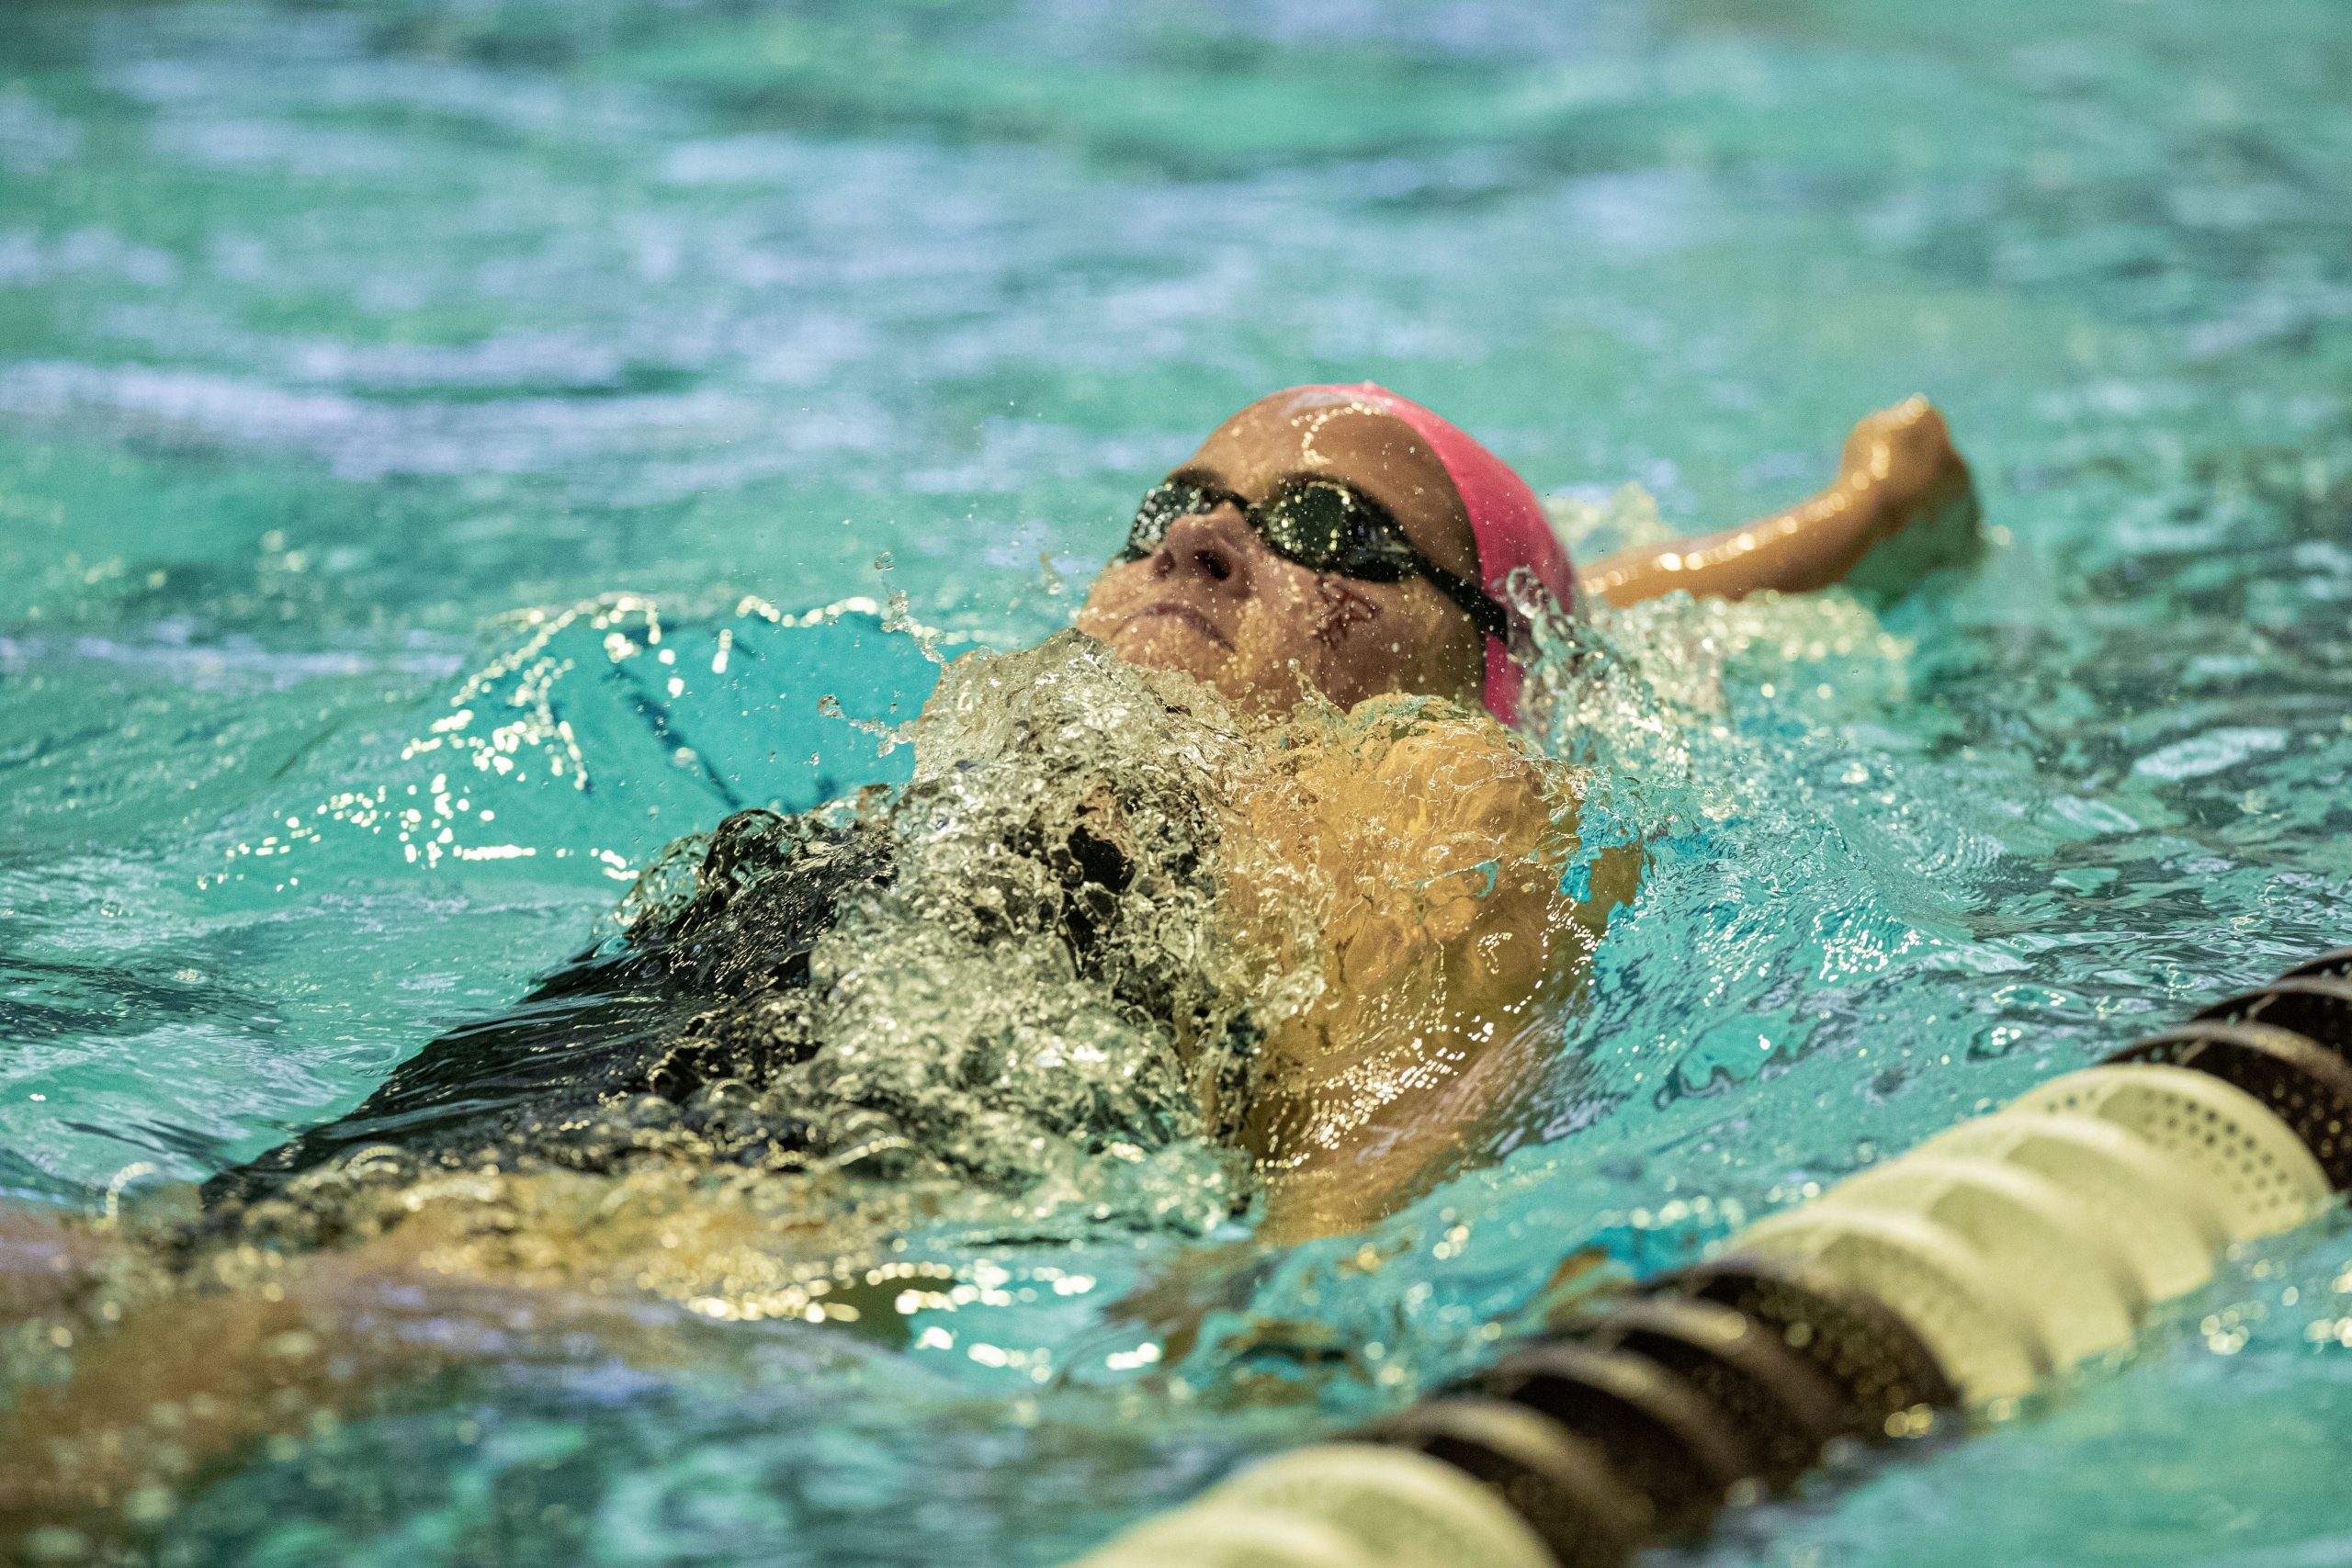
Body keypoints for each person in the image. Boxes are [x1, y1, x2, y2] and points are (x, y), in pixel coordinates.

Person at [0, 383, 1976, 1540]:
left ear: (1459, 671)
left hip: (771, 1177)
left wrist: (1294, 1305)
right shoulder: (1096, 719)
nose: (1206, 546)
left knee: (275, 1328)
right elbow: (1570, 617)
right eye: (1175, 509)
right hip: (614, 1050)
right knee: (90, 1264)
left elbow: (1410, 1084)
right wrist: (1839, 529)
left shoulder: (1416, 780)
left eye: (1316, 531)